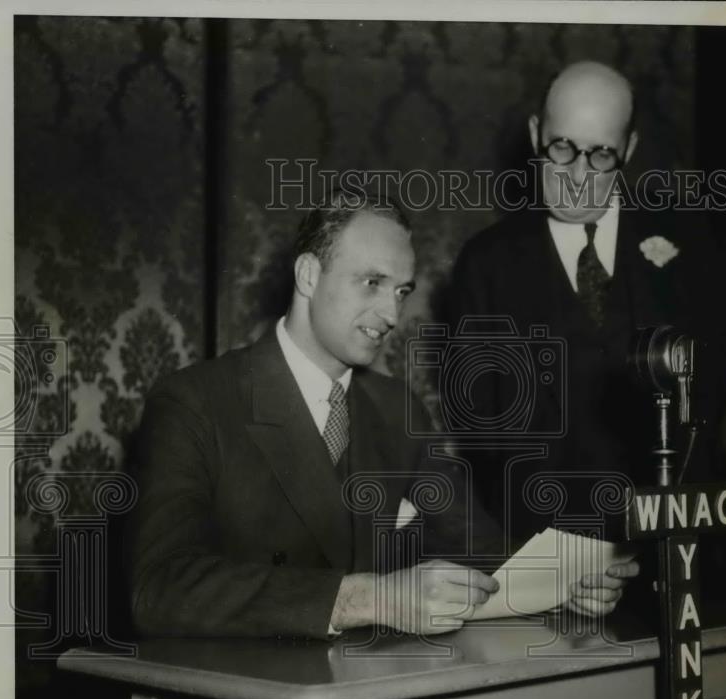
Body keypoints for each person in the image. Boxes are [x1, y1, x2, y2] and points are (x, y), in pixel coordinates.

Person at [127, 190, 506, 638]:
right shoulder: (194, 403)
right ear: (308, 274)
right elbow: (159, 590)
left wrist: (565, 579)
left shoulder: (398, 408)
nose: (391, 314)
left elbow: (482, 550)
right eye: (371, 283)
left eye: (401, 292)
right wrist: (366, 599)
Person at [444, 61, 726, 617]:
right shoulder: (487, 265)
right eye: (561, 149)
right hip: (553, 568)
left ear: (628, 148)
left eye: (600, 154)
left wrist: (632, 543)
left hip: (678, 560)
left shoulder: (691, 248)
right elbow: (492, 438)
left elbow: (710, 402)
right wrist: (573, 563)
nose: (578, 175)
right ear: (535, 134)